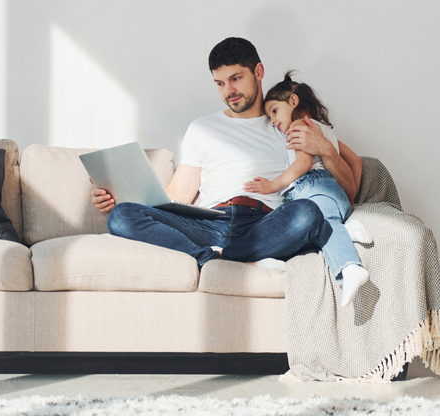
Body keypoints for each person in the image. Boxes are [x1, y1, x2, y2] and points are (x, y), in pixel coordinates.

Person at [90, 38, 361, 307]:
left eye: (236, 78)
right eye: (220, 83)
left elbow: (348, 188)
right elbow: (177, 195)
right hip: (209, 224)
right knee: (121, 216)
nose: (228, 90)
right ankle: (209, 258)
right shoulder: (201, 128)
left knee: (307, 213)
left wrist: (326, 149)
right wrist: (122, 195)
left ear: (259, 72)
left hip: (264, 224)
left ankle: (227, 257)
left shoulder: (285, 121)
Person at [243, 71, 370, 306]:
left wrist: (272, 185)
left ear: (293, 101)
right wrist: (349, 199)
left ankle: (350, 268)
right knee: (313, 229)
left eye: (274, 111)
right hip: (333, 193)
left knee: (313, 223)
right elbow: (356, 161)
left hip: (312, 187)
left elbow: (303, 164)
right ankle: (347, 227)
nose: (272, 121)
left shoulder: (299, 126)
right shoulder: (324, 128)